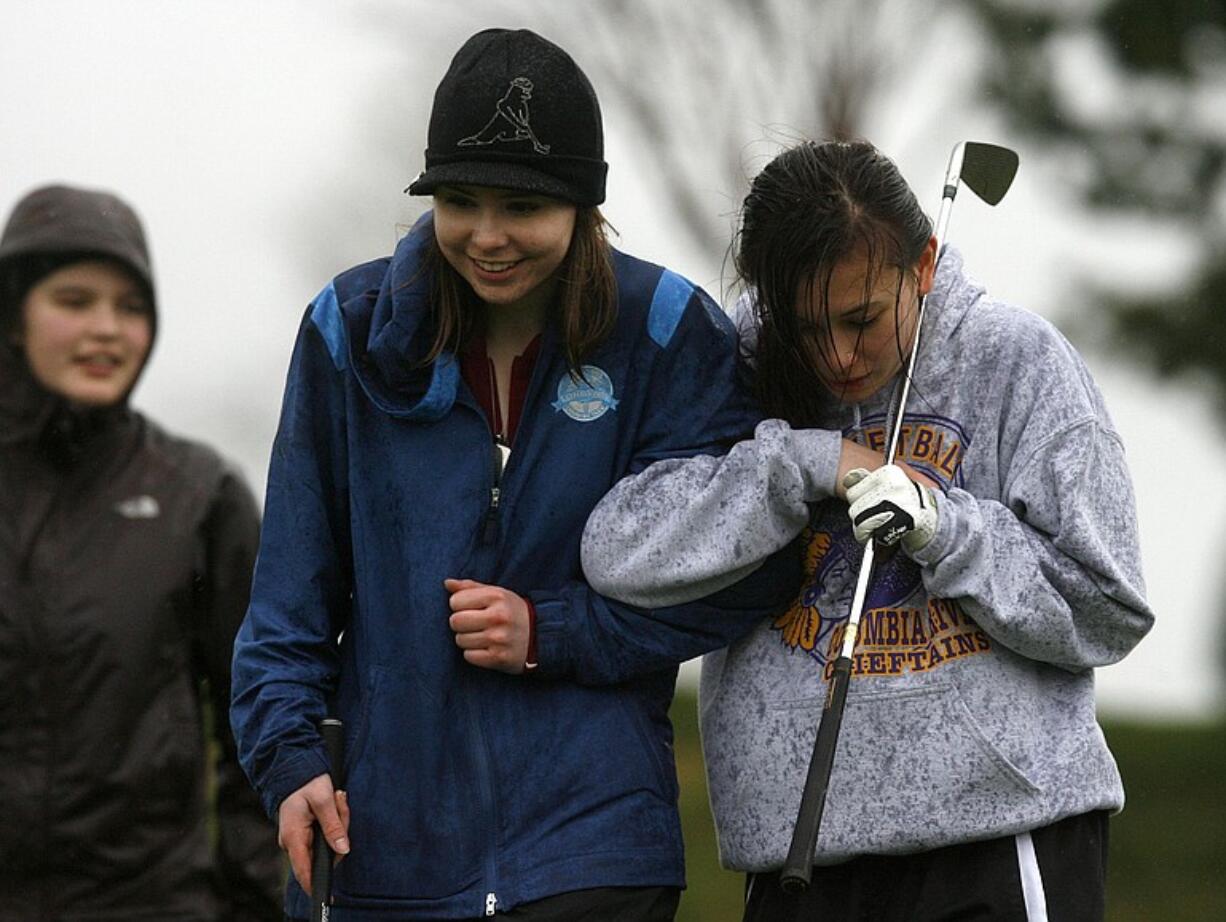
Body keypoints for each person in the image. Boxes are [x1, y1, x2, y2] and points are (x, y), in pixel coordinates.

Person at [229, 28, 795, 922]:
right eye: (459, 201)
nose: (487, 237)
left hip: (593, 853)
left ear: (583, 206)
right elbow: (288, 599)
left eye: (521, 207)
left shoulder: (668, 331)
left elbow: (758, 568)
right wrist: (289, 762)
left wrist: (557, 632)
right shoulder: (344, 328)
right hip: (379, 860)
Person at [581, 139, 1155, 921]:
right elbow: (620, 550)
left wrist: (942, 526)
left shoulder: (1018, 361)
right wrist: (809, 462)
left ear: (923, 264)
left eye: (861, 319)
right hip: (798, 856)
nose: (835, 357)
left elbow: (1105, 606)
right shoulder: (737, 358)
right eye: (807, 327)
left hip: (997, 837)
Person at [0, 184, 283, 920]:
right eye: (75, 299)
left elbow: (259, 727)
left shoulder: (199, 495)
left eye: (131, 307)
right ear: (12, 314)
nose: (107, 330)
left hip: (150, 903)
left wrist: (251, 904)